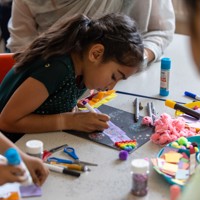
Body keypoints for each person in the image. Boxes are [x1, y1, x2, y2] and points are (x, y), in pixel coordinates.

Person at [0, 13, 144, 142]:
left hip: (35, 140)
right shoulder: (57, 68)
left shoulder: (84, 70)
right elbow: (7, 121)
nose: (111, 87)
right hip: (10, 149)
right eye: (114, 76)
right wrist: (69, 121)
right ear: (96, 54)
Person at [6, 0, 175, 66]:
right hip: (53, 78)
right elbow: (21, 50)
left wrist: (133, 59)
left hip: (124, 79)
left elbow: (161, 30)